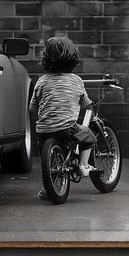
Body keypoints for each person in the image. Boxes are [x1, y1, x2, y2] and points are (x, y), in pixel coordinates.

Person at [29, 36, 95, 201]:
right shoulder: (76, 81)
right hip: (67, 128)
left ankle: (47, 188)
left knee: (47, 160)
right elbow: (85, 104)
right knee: (88, 137)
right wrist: (87, 105)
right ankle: (82, 166)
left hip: (44, 129)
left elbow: (32, 107)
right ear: (73, 60)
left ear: (46, 59)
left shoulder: (42, 81)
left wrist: (42, 119)